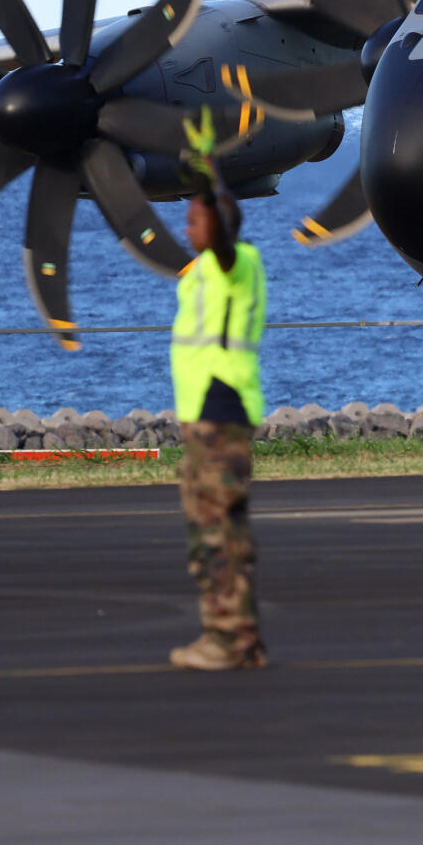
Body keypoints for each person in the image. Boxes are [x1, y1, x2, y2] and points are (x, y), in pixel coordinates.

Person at [168, 182, 269, 670]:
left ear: (219, 226)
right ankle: (237, 637)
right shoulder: (204, 273)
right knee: (212, 529)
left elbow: (227, 248)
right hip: (203, 417)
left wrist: (211, 192)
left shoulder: (236, 265)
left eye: (194, 220)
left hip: (220, 413)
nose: (185, 229)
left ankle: (228, 639)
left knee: (217, 531)